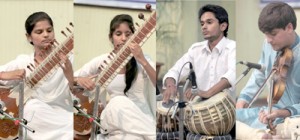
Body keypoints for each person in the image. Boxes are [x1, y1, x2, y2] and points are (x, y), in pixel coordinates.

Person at [74, 14, 156, 139]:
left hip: (141, 120)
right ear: (111, 38)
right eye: (118, 34)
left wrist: (142, 60)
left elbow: (157, 84)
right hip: (113, 119)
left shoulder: (144, 59)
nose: (123, 38)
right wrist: (80, 79)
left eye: (128, 34)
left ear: (134, 36)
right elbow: (71, 79)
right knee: (118, 101)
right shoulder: (102, 61)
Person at [161, 4, 236, 139]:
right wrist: (171, 84)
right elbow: (175, 70)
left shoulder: (232, 48)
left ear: (223, 26)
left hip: (226, 114)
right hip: (198, 111)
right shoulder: (195, 50)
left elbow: (232, 74)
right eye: (202, 23)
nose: (204, 27)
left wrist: (208, 93)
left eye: (209, 22)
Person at [0, 11, 74, 139]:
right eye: (39, 32)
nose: (46, 35)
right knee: (32, 108)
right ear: (29, 37)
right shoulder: (23, 61)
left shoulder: (69, 59)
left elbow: (80, 91)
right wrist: (4, 74)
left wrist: (70, 74)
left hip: (62, 114)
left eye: (49, 30)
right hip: (36, 115)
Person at [236, 2, 300, 139]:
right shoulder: (268, 45)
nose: (268, 40)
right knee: (230, 117)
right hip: (271, 113)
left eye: (273, 34)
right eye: (265, 35)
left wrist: (284, 112)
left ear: (289, 27)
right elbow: (260, 72)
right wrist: (244, 97)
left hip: (294, 117)